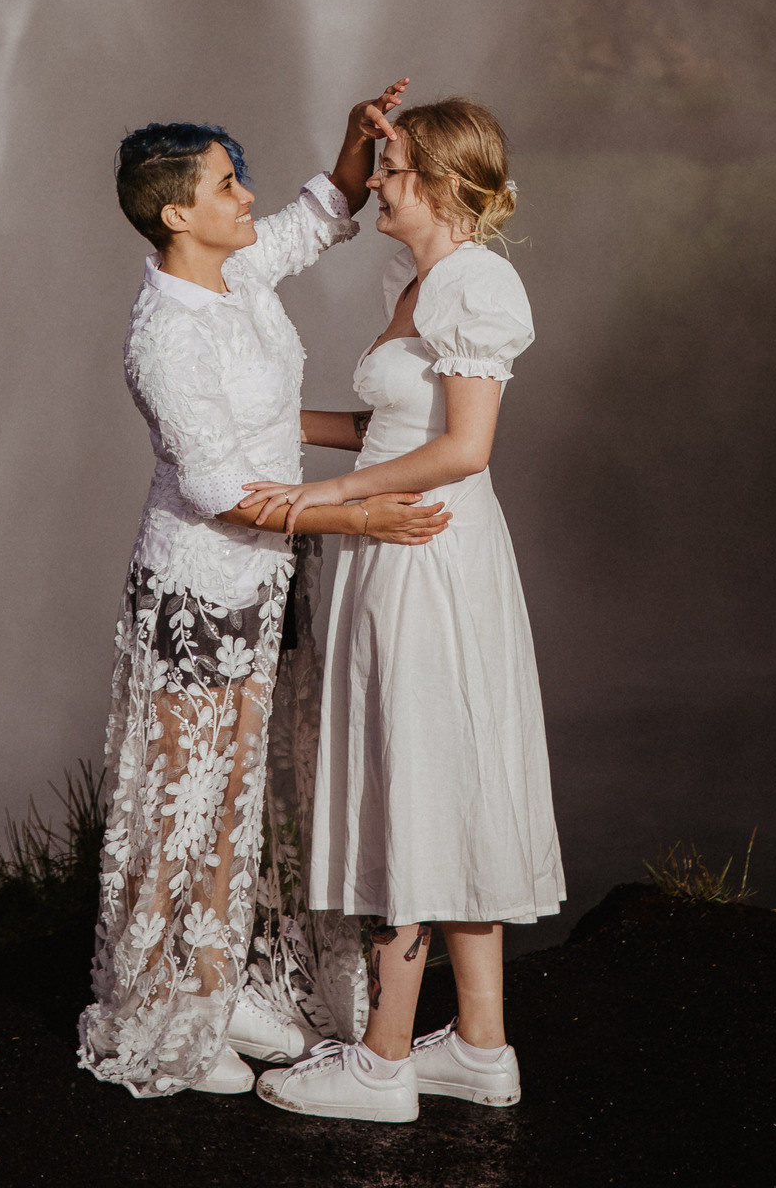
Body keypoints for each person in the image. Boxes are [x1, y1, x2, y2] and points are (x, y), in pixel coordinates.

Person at [77, 87, 451, 1102]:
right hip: (199, 589)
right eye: (225, 184)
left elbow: (321, 214)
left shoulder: (234, 269)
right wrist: (362, 515)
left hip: (270, 578)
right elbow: (221, 492)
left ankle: (220, 979)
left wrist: (355, 141)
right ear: (176, 214)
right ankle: (165, 1008)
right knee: (184, 806)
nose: (246, 195)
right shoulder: (165, 334)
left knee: (243, 790)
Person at [241, 95, 564, 1125]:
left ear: (441, 180)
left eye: (390, 167)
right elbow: (391, 424)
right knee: (441, 772)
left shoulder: (476, 283)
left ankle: (382, 1063)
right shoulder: (413, 280)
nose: (373, 183)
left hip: (425, 551)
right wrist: (274, 424)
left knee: (412, 776)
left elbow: (465, 447)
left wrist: (325, 501)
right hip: (392, 540)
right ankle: (480, 1047)